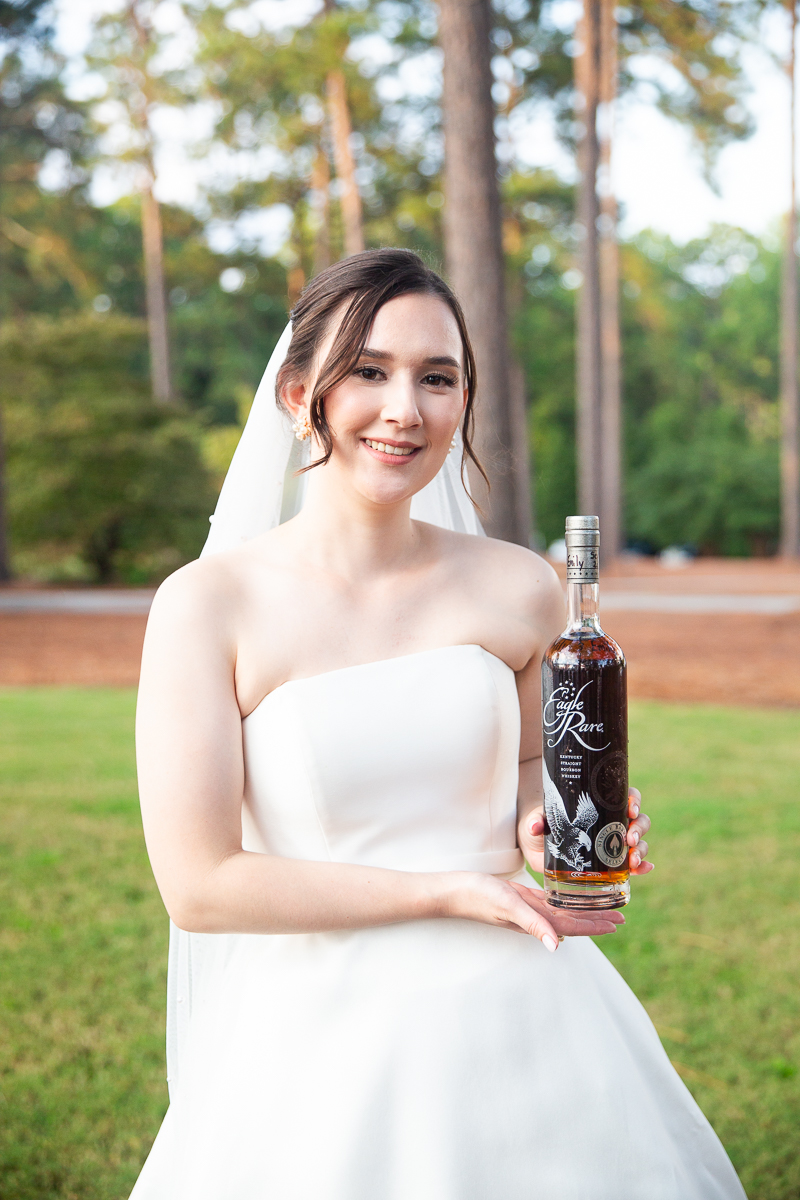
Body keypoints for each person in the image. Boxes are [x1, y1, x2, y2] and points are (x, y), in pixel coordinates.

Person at [131, 249, 745, 1199]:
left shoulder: (518, 586)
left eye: (438, 377)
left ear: (465, 400)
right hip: (318, 1042)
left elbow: (535, 768)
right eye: (368, 371)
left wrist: (556, 815)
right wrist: (448, 893)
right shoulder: (208, 605)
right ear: (302, 394)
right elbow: (202, 887)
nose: (404, 408)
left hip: (526, 1011)